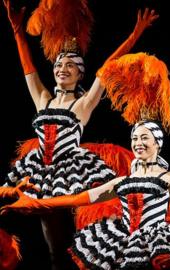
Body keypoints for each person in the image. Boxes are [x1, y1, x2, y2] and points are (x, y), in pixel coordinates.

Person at [2, 0, 158, 268]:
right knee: (52, 238)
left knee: (73, 237)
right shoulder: (44, 99)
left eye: (70, 66)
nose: (62, 69)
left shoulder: (82, 105)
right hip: (41, 168)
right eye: (59, 65)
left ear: (79, 74)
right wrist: (17, 31)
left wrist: (135, 34)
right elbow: (28, 68)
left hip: (72, 171)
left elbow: (107, 68)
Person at [2, 119, 170, 269]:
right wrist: (37, 203)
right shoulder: (122, 180)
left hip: (158, 240)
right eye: (135, 137)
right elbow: (79, 198)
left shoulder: (169, 178)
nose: (138, 143)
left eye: (144, 137)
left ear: (158, 143)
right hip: (122, 239)